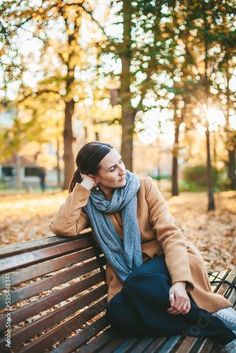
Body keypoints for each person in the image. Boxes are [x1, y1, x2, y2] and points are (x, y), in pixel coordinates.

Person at [50, 141, 236, 352]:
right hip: (130, 275)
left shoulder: (143, 186)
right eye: (112, 168)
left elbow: (170, 234)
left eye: (120, 162)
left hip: (168, 259)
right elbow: (62, 227)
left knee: (139, 282)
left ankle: (219, 330)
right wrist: (82, 189)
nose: (122, 171)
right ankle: (204, 318)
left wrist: (179, 282)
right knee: (118, 315)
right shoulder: (90, 204)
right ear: (94, 177)